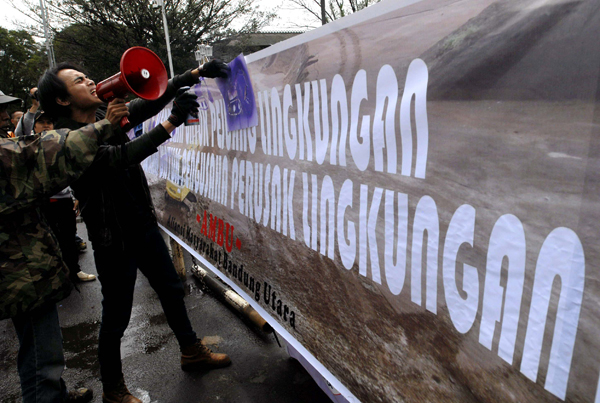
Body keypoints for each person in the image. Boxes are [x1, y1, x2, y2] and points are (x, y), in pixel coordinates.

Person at [38, 59, 231, 403]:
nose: (90, 80)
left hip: (140, 222)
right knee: (117, 315)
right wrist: (173, 121)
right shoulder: (66, 141)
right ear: (64, 100)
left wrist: (194, 74)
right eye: (80, 80)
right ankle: (114, 390)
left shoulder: (101, 118)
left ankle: (191, 351)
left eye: (87, 74)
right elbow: (119, 157)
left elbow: (143, 107)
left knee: (171, 288)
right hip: (114, 237)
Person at [1, 88, 130, 403]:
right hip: (19, 274)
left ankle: (55, 394)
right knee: (41, 360)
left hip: (22, 271)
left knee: (41, 348)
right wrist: (105, 125)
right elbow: (41, 153)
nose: (4, 115)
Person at [29, 111, 98, 282]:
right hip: (40, 202)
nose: (46, 125)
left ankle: (74, 271)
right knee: (45, 241)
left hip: (64, 200)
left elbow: (74, 171)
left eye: (49, 122)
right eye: (41, 122)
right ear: (34, 126)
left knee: (68, 237)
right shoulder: (26, 147)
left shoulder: (62, 143)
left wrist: (76, 196)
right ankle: (51, 278)